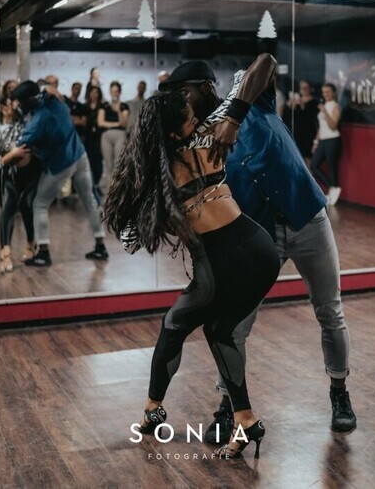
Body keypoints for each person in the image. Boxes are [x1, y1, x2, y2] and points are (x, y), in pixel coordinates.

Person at [158, 56, 356, 442]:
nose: (180, 101)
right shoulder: (192, 141)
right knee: (235, 326)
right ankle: (228, 406)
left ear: (203, 88)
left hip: (307, 216)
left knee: (330, 312)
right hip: (259, 235)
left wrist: (233, 117)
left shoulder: (248, 99)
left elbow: (265, 62)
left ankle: (340, 393)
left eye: (184, 92)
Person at [104, 91, 280, 459]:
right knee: (219, 330)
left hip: (221, 264)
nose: (196, 120)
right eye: (189, 118)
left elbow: (130, 241)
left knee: (174, 325)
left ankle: (154, 410)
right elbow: (254, 75)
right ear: (172, 133)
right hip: (262, 251)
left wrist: (151, 210)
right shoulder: (209, 140)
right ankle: (245, 420)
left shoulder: (158, 175)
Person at [10, 80, 108, 265]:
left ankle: (43, 253)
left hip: (61, 164)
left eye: (21, 102)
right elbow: (44, 89)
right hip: (80, 154)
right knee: (89, 200)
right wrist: (46, 88)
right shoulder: (55, 100)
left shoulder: (38, 121)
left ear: (28, 101)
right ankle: (100, 245)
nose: (19, 106)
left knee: (40, 204)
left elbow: (19, 149)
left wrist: (5, 156)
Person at [0, 97, 41, 273]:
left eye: (18, 103)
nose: (16, 106)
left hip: (32, 172)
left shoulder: (29, 124)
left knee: (27, 205)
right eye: (11, 104)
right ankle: (5, 253)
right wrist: (7, 158)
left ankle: (31, 242)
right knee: (8, 207)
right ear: (2, 108)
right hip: (10, 173)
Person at [311, 83, 343, 205]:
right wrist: (316, 142)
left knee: (331, 167)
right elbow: (321, 126)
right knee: (314, 165)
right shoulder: (324, 105)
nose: (326, 94)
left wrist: (324, 111)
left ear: (333, 92)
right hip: (323, 140)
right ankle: (333, 188)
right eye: (324, 92)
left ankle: (332, 191)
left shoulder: (335, 106)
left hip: (333, 139)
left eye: (328, 91)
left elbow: (333, 125)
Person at [97, 81, 129, 191]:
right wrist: (116, 124)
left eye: (116, 91)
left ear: (119, 92)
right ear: (110, 92)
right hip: (106, 135)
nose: (115, 93)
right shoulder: (104, 105)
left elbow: (124, 123)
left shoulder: (124, 106)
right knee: (108, 165)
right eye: (113, 91)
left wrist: (118, 111)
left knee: (118, 164)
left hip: (120, 135)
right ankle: (109, 191)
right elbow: (100, 122)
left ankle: (119, 190)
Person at [286, 79, 319, 164]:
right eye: (301, 87)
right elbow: (288, 117)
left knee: (307, 157)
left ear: (310, 89)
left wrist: (302, 106)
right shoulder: (296, 101)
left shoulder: (315, 102)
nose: (303, 89)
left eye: (305, 87)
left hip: (308, 133)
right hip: (296, 133)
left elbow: (311, 117)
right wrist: (290, 107)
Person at [84, 85, 105, 197]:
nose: (94, 95)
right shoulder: (84, 107)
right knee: (89, 162)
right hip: (87, 137)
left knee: (98, 163)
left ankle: (96, 184)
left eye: (96, 92)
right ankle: (90, 186)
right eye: (92, 92)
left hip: (99, 137)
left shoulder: (102, 106)